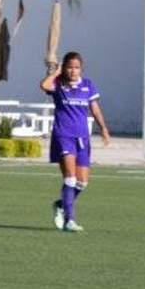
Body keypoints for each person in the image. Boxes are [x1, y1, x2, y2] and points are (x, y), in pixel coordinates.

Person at [39, 51, 110, 233]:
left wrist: (103, 128)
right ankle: (69, 221)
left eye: (76, 67)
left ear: (81, 68)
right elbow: (44, 85)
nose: (73, 71)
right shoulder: (58, 84)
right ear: (64, 67)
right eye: (69, 67)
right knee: (70, 178)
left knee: (82, 182)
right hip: (63, 135)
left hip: (82, 137)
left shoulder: (88, 85)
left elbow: (95, 108)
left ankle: (61, 204)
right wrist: (57, 72)